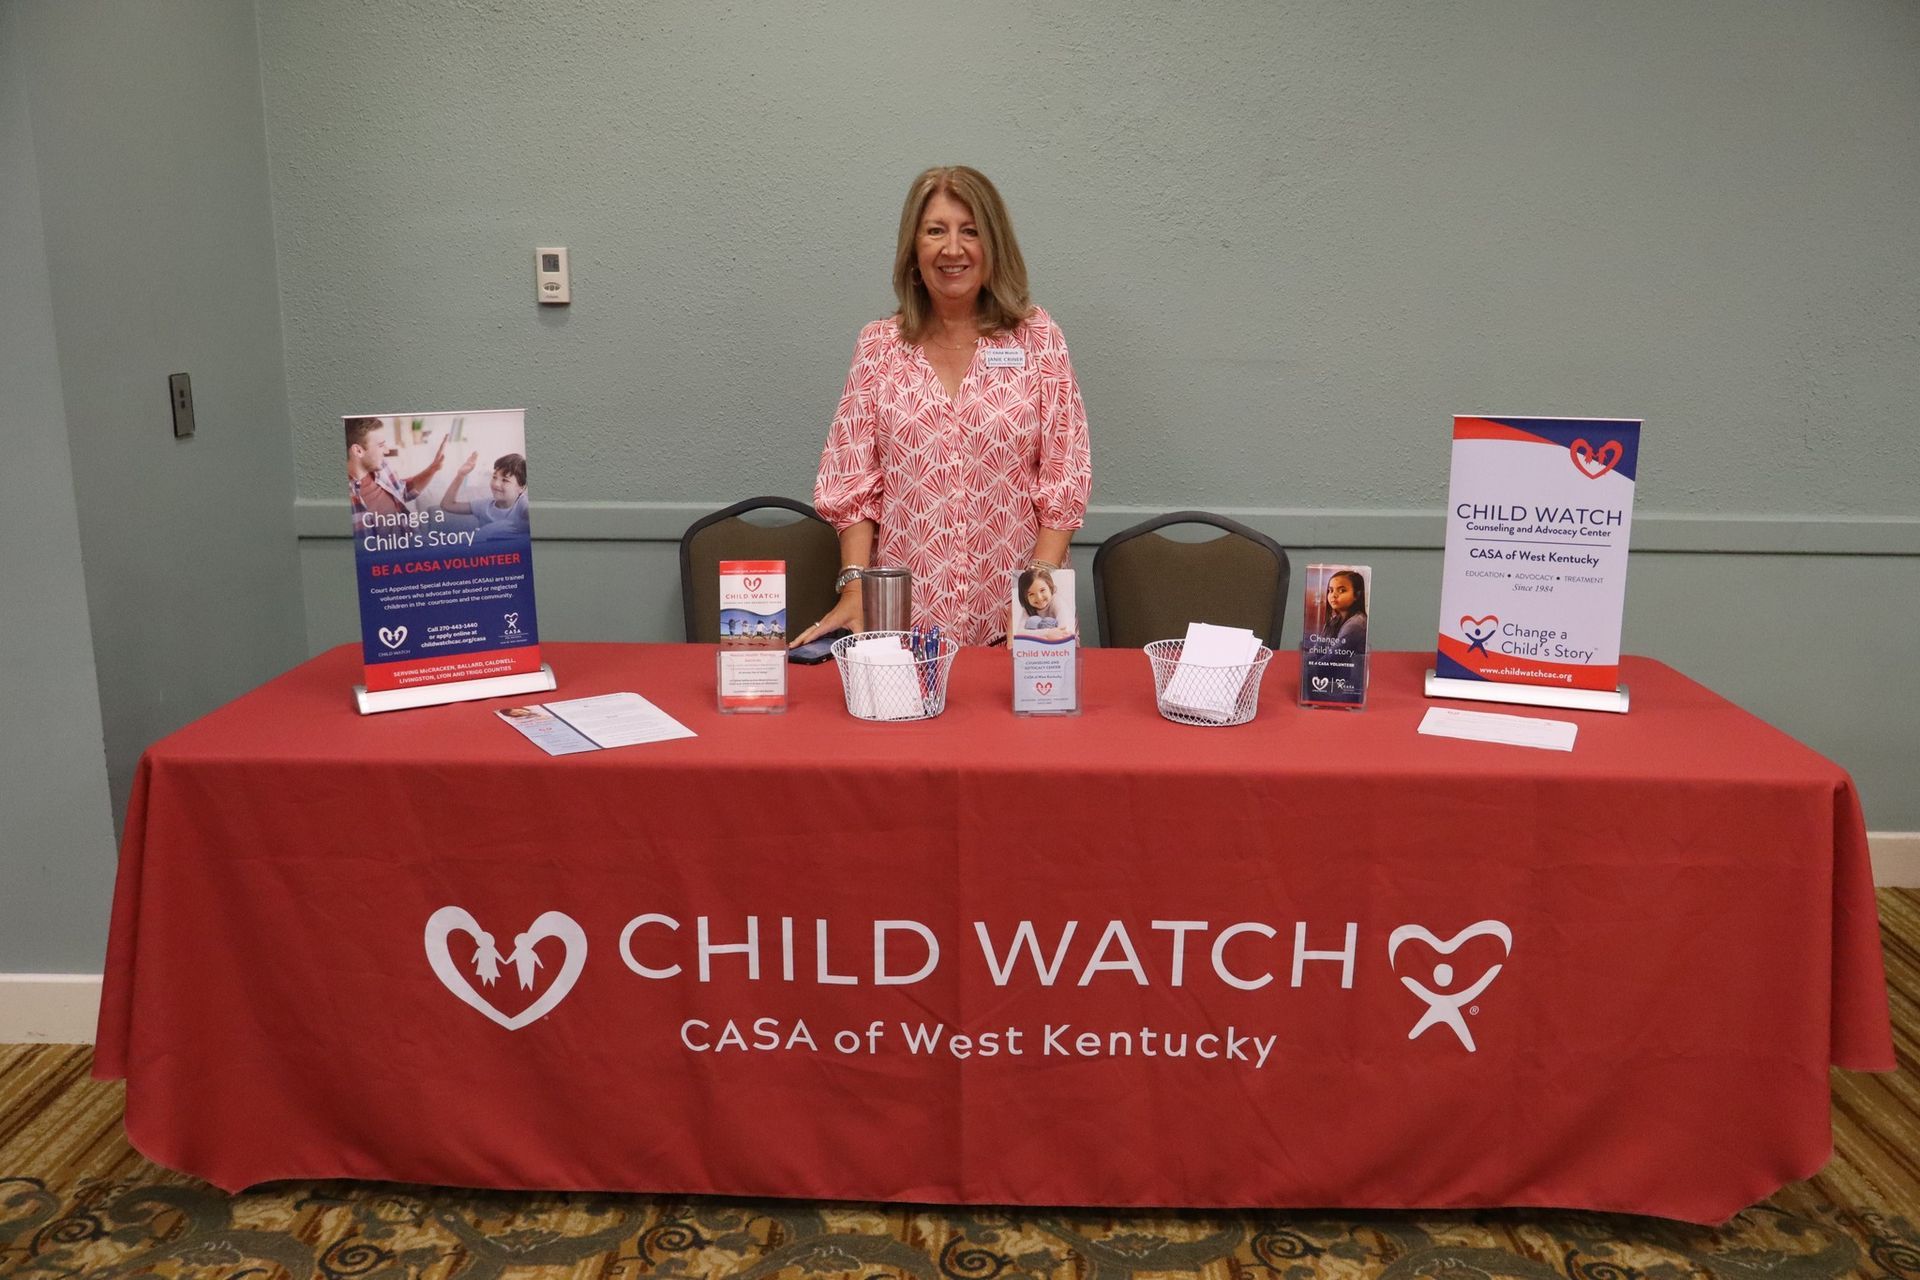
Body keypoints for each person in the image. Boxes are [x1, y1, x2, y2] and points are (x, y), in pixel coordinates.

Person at [793, 166, 1092, 649]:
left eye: (970, 231)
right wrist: (853, 590)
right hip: (904, 629)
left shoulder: (1038, 339)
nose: (953, 249)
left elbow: (1064, 478)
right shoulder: (878, 347)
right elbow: (851, 482)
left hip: (1015, 629)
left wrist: (1035, 608)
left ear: (994, 246)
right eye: (936, 231)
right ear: (914, 250)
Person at [346, 417, 450, 518]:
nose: (386, 451)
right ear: (358, 451)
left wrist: (433, 468)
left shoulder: (382, 467)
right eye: (381, 445)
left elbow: (404, 492)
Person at [440, 452, 530, 542]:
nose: (496, 484)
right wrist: (461, 475)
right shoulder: (484, 506)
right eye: (494, 477)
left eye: (505, 480)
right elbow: (447, 505)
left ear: (521, 488)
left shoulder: (523, 505)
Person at [1013, 565, 1074, 642]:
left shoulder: (1056, 601)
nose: (1039, 598)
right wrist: (1047, 633)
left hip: (1061, 646)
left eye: (1042, 590)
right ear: (1025, 598)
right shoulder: (1028, 608)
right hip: (1037, 649)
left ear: (1050, 587)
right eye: (1031, 594)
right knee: (1032, 621)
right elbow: (1019, 633)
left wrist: (1037, 635)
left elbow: (1064, 629)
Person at [1317, 570, 1368, 649]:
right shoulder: (1334, 620)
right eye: (1330, 590)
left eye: (1342, 590)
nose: (1333, 595)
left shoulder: (1356, 624)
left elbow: (1333, 656)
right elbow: (1317, 651)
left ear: (1357, 595)